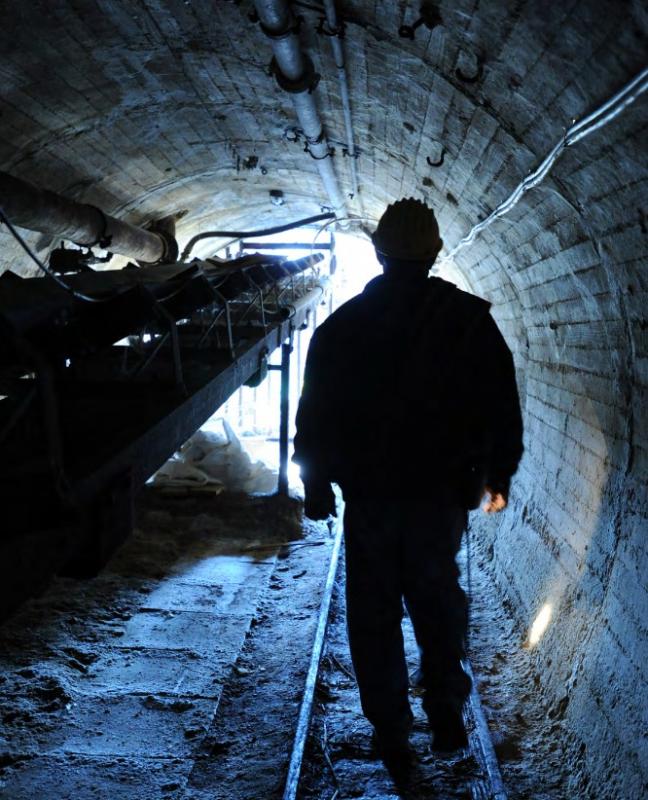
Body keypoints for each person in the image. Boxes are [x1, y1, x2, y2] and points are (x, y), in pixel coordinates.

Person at [293, 198, 523, 766]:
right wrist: (498, 475)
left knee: (373, 610)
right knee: (437, 598)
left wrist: (317, 485)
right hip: (440, 496)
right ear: (436, 251)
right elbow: (501, 406)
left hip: (370, 496)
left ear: (378, 252)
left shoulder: (344, 326)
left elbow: (315, 413)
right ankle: (444, 709)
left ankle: (391, 725)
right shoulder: (469, 322)